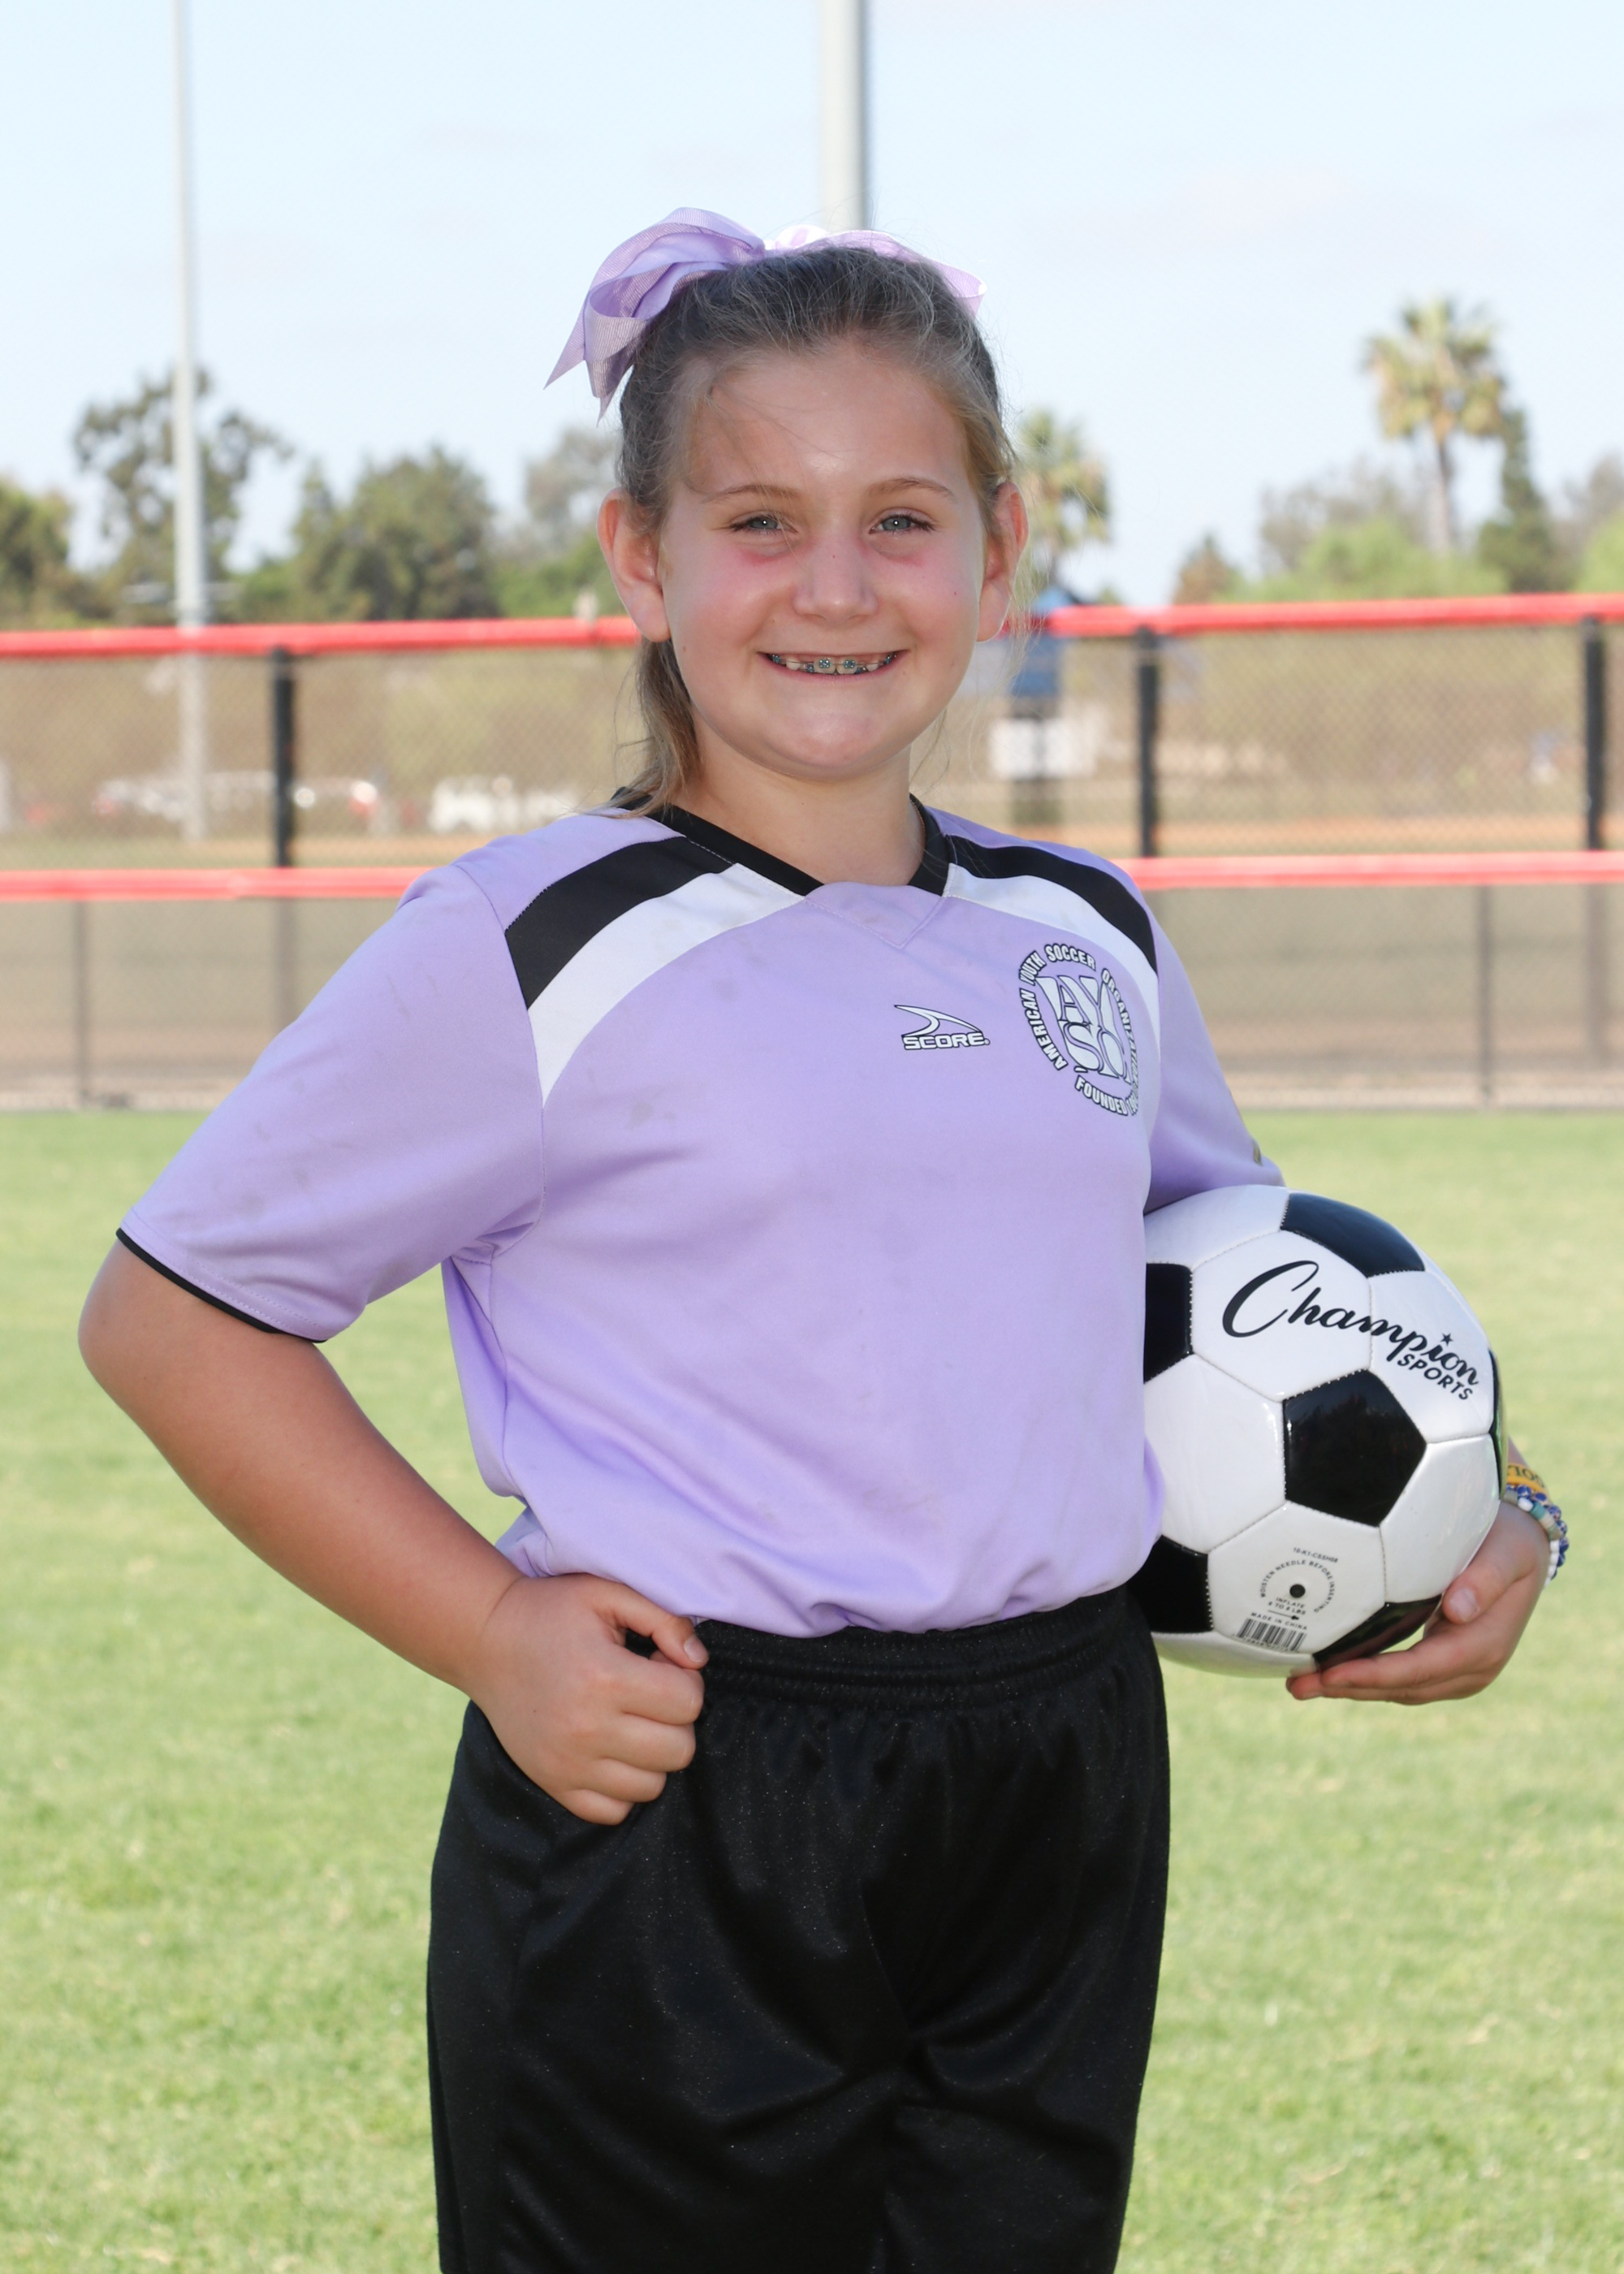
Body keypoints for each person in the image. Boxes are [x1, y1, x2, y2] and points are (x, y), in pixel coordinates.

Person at [79, 212, 1555, 2274]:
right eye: (760, 519)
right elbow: (171, 1317)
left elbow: (1259, 1289)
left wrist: (1506, 1515)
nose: (836, 585)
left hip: (1057, 1768)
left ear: (998, 548)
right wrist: (490, 1631)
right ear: (640, 555)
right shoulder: (531, 941)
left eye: (901, 519)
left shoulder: (1084, 932)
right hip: (687, 1777)